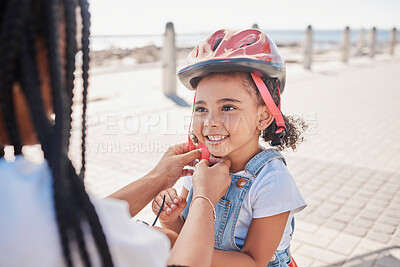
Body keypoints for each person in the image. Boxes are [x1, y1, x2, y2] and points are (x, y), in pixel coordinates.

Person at [0, 0, 231, 266]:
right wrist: (205, 197)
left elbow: (83, 220)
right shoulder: (26, 210)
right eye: (63, 59)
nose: (65, 83)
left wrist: (159, 178)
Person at [152, 28, 307, 266]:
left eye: (227, 108)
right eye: (201, 109)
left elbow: (254, 262)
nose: (210, 121)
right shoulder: (197, 168)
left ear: (263, 117)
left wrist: (172, 242)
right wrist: (171, 219)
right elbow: (188, 233)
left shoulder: (273, 181)